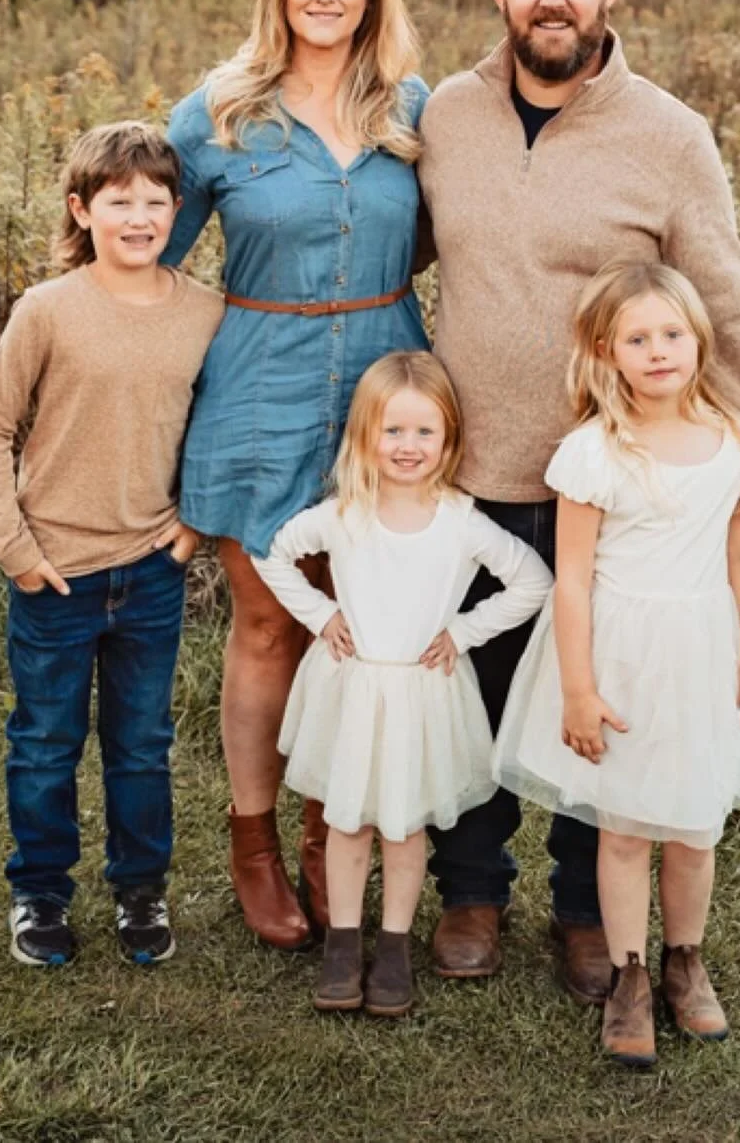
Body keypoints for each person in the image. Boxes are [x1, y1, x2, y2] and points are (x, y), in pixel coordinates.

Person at [417, 0, 740, 1004]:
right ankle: (472, 888)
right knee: (479, 690)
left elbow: (725, 307)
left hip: (614, 482)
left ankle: (591, 912)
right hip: (467, 466)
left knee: (608, 696)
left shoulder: (672, 137)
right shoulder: (446, 114)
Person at [162, 0, 429, 949]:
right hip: (258, 390)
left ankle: (336, 833)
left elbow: (457, 238)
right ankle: (255, 847)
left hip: (382, 394)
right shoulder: (219, 113)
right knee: (272, 624)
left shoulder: (409, 109)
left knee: (361, 626)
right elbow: (150, 258)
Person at [495, 260, 740, 1065]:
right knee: (626, 829)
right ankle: (629, 974)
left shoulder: (737, 446)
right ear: (606, 350)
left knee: (696, 827)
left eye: (672, 333)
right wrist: (579, 688)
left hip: (701, 652)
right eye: (638, 337)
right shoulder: (595, 452)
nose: (658, 350)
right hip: (620, 654)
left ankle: (685, 960)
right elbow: (571, 581)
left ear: (699, 342)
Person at [0, 123, 223, 968]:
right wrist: (15, 548)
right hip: (54, 573)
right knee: (45, 739)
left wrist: (191, 530)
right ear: (84, 209)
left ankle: (140, 889)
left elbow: (219, 429)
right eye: (120, 201)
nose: (140, 216)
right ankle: (40, 892)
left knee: (141, 742)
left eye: (156, 200)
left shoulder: (205, 311)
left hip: (152, 566)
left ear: (179, 210)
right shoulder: (49, 309)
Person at [254, 352, 551, 1017]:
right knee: (350, 821)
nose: (408, 447)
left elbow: (533, 579)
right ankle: (342, 941)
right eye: (393, 431)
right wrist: (322, 613)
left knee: (405, 826)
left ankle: (393, 946)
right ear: (365, 434)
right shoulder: (345, 513)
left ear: (448, 439)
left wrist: (466, 632)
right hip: (354, 690)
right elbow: (270, 551)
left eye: (425, 432)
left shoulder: (461, 519)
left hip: (422, 695)